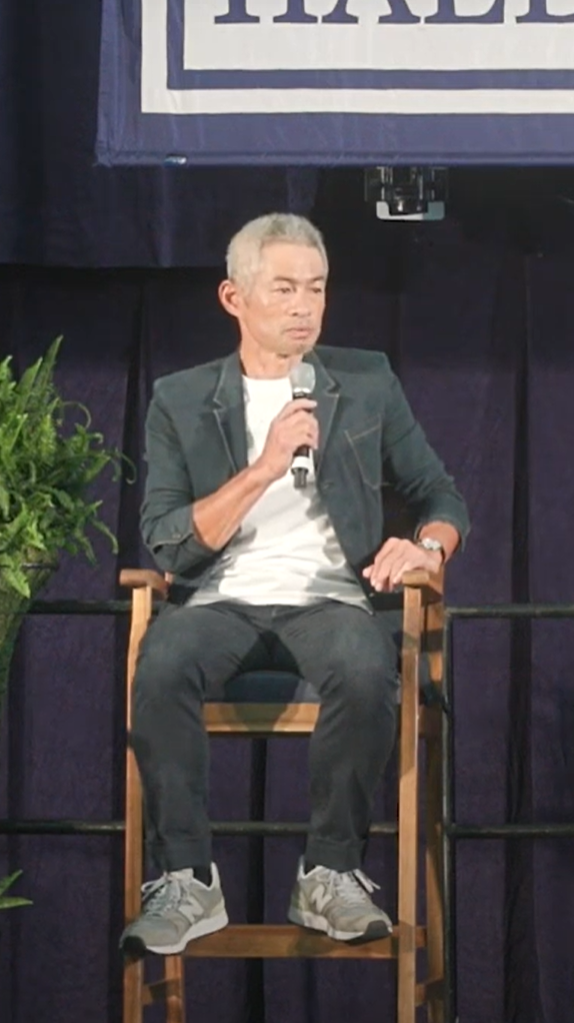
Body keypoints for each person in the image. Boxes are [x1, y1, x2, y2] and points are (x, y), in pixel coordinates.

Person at [120, 213, 469, 957]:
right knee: (161, 662)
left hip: (331, 593)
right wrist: (263, 466)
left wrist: (425, 547)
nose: (303, 306)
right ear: (233, 297)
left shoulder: (365, 379)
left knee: (365, 661)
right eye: (283, 288)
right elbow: (167, 541)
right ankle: (186, 879)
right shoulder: (179, 399)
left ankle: (330, 872)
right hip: (221, 595)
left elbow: (440, 494)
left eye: (316, 288)